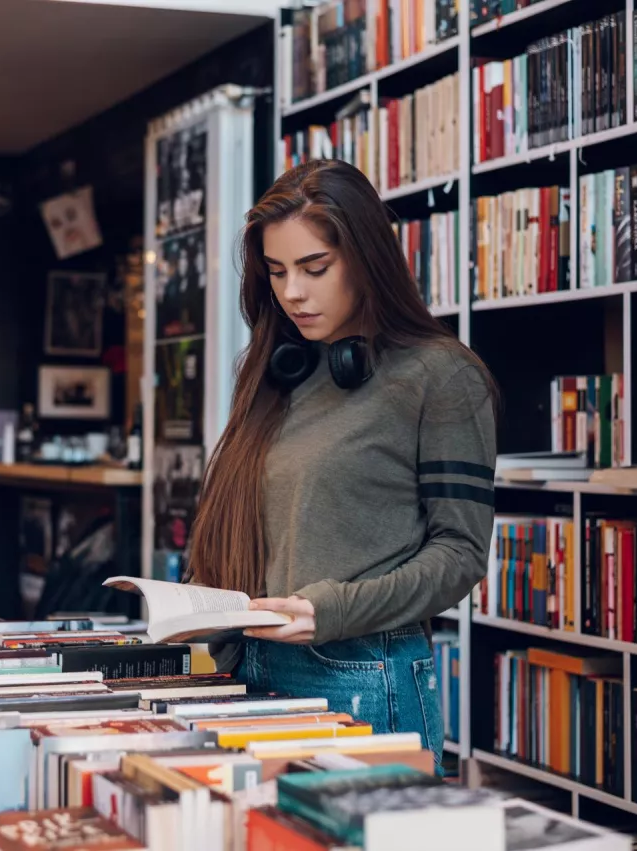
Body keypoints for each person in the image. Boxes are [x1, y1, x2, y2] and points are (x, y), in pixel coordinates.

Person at [185, 159, 497, 772]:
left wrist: (331, 609)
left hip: (362, 672)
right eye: (276, 272)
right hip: (249, 667)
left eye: (314, 268)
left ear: (366, 258)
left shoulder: (440, 375)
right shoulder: (278, 374)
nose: (292, 292)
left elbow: (460, 554)